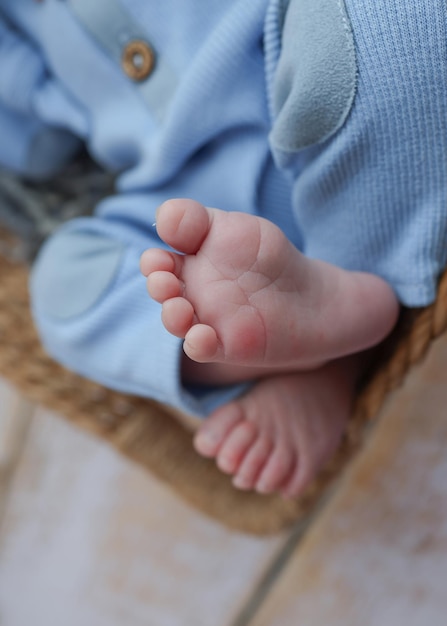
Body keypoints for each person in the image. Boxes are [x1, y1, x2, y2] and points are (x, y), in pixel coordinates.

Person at [0, 1, 446, 497]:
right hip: (186, 215)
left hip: (309, 63)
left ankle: (345, 309)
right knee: (64, 288)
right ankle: (277, 347)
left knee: (399, 21)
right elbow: (35, 146)